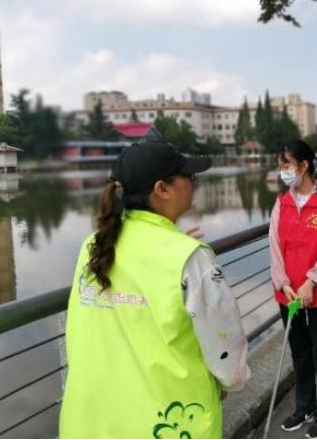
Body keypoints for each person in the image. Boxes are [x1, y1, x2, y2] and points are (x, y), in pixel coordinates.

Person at [60, 142, 250, 439]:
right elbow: (227, 350)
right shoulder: (189, 258)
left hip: (90, 422)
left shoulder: (93, 246)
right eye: (188, 176)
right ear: (162, 189)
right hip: (168, 424)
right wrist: (228, 383)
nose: (194, 183)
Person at [269, 139, 317, 439]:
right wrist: (283, 283)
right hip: (288, 294)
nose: (282, 171)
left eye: (286, 165)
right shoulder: (281, 202)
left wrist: (311, 282)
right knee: (300, 352)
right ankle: (306, 407)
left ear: (303, 166)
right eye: (280, 166)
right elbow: (274, 245)